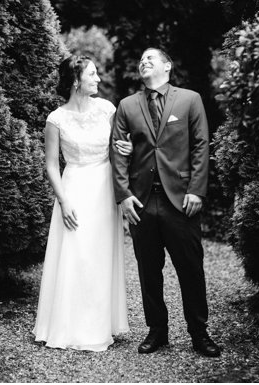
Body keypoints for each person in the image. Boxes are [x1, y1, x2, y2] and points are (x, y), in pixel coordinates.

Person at [109, 48, 221, 357]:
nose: (143, 61)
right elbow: (118, 153)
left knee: (190, 268)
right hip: (141, 201)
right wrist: (123, 194)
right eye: (140, 59)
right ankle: (157, 330)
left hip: (181, 200)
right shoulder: (126, 106)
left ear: (167, 66)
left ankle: (199, 332)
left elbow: (200, 145)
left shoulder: (189, 99)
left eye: (150, 58)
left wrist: (197, 190)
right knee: (148, 269)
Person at [33, 55, 132, 351]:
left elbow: (118, 147)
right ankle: (68, 325)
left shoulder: (106, 109)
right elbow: (51, 165)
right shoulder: (56, 118)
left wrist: (127, 147)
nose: (98, 79)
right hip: (74, 187)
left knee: (99, 254)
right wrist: (63, 201)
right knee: (75, 254)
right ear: (76, 80)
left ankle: (99, 323)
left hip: (104, 189)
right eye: (92, 74)